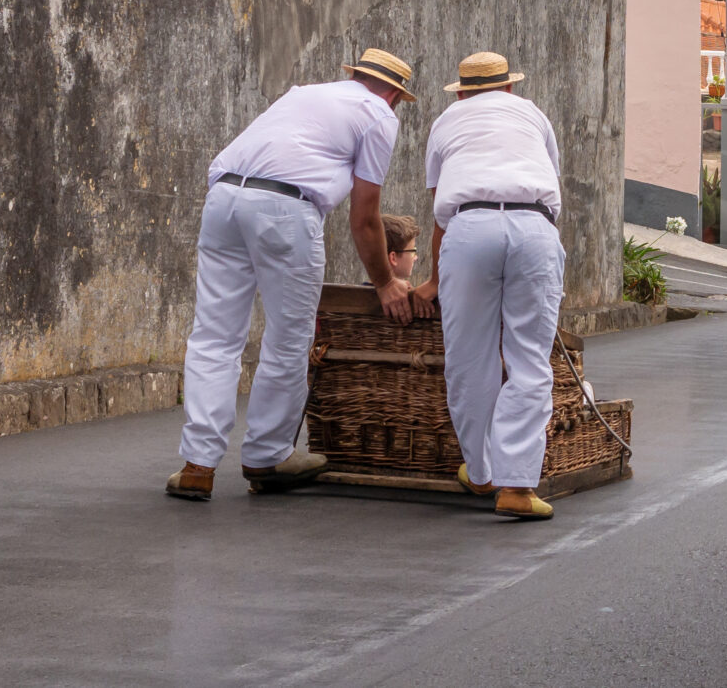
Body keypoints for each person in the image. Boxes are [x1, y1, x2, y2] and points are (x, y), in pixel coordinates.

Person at [166, 49, 419, 502]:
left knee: (214, 336)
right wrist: (384, 281)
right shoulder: (379, 114)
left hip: (225, 196)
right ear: (395, 96)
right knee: (288, 336)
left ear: (355, 76)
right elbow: (365, 216)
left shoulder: (304, 94)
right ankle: (266, 455)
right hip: (285, 207)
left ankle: (197, 465)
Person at [417, 51, 566, 522]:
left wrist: (434, 280)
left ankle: (480, 472)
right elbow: (547, 179)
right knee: (529, 359)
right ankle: (518, 485)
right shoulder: (532, 114)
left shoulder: (446, 121)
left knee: (468, 356)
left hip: (469, 225)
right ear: (508, 89)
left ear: (460, 91)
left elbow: (439, 208)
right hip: (534, 225)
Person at [382, 214, 422, 283]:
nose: (416, 257)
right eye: (413, 251)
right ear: (393, 258)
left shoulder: (359, 292)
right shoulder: (405, 293)